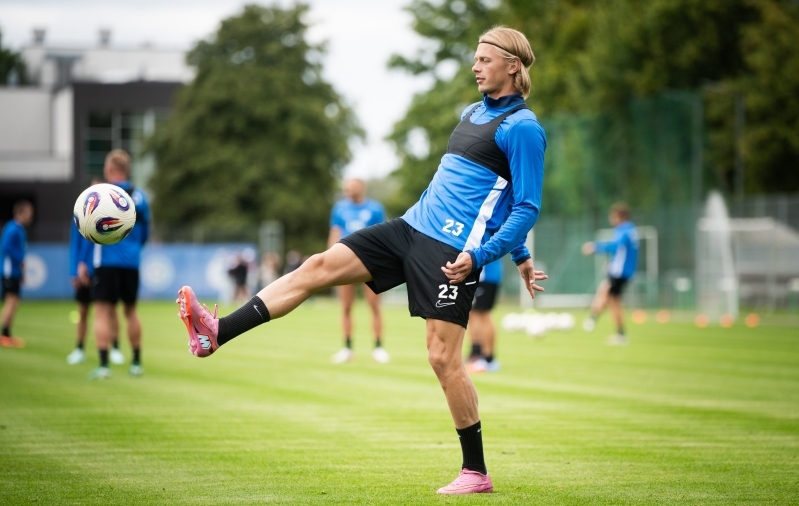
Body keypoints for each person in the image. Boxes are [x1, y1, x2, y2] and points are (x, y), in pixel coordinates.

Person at [177, 26, 547, 495]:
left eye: (484, 59)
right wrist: (522, 256)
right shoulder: (473, 111)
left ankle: (475, 472)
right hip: (410, 227)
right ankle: (217, 333)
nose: (475, 66)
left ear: (513, 65)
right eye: (474, 58)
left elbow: (525, 205)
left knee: (442, 359)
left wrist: (487, 255)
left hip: (453, 252)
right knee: (316, 267)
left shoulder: (524, 129)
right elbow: (500, 195)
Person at [89, 149, 151, 379]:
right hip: (131, 263)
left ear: (111, 168)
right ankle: (136, 363)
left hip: (107, 260)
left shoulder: (102, 194)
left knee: (102, 312)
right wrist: (133, 250)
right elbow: (146, 232)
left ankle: (104, 366)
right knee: (131, 311)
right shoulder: (140, 197)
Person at [327, 178, 388, 364]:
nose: (347, 190)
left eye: (350, 187)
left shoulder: (375, 209)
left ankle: (378, 347)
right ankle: (347, 348)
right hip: (345, 262)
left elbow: (382, 234)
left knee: (374, 305)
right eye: (345, 188)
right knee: (345, 306)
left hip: (370, 261)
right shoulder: (339, 209)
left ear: (361, 187)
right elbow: (335, 234)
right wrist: (329, 259)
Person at [66, 181, 125, 365]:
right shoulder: (79, 214)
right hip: (85, 271)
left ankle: (115, 348)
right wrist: (75, 270)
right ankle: (79, 349)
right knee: (83, 311)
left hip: (104, 269)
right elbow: (75, 244)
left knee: (111, 311)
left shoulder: (112, 215)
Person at [581, 202, 639, 346]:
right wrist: (612, 263)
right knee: (607, 293)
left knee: (612, 300)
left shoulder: (624, 230)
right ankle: (595, 320)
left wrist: (595, 247)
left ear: (620, 216)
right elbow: (623, 252)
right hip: (622, 271)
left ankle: (613, 331)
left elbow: (615, 247)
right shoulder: (631, 230)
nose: (611, 219)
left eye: (613, 216)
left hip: (621, 273)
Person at [1, 200, 34, 348]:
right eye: (28, 213)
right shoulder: (12, 228)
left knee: (14, 302)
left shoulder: (20, 229)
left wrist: (21, 272)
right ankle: (4, 335)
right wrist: (20, 260)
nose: (30, 216)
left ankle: (6, 333)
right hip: (9, 270)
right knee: (11, 301)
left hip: (15, 271)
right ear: (21, 213)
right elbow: (6, 247)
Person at [464, 258, 502, 374]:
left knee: (483, 314)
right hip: (478, 275)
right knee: (472, 313)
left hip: (486, 276)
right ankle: (476, 354)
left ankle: (488, 359)